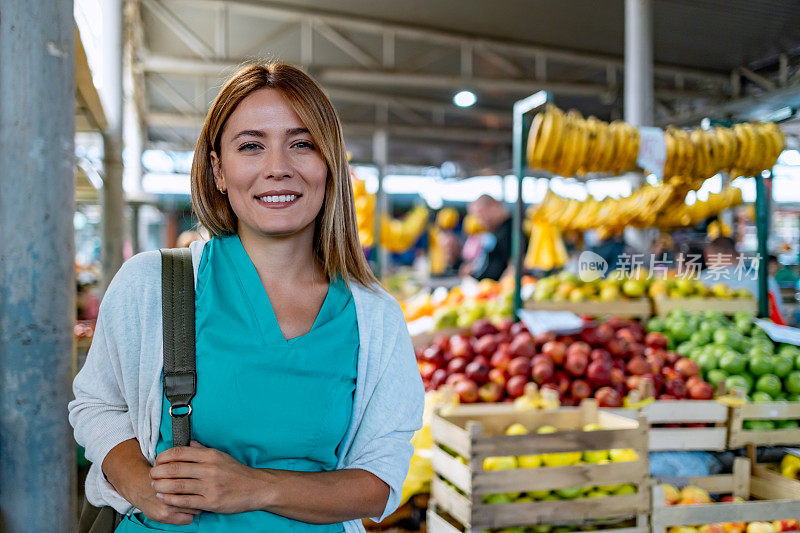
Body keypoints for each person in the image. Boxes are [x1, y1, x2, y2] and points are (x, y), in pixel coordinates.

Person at [68, 62, 424, 532]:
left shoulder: (374, 318)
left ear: (330, 164)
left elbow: (379, 480)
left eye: (302, 144)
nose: (277, 168)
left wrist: (254, 486)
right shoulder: (153, 283)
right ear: (218, 169)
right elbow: (97, 405)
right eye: (251, 146)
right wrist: (141, 487)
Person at [464, 194, 522, 281]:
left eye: (480, 214)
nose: (480, 221)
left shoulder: (511, 229)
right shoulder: (496, 230)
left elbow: (514, 266)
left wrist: (500, 287)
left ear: (493, 207)